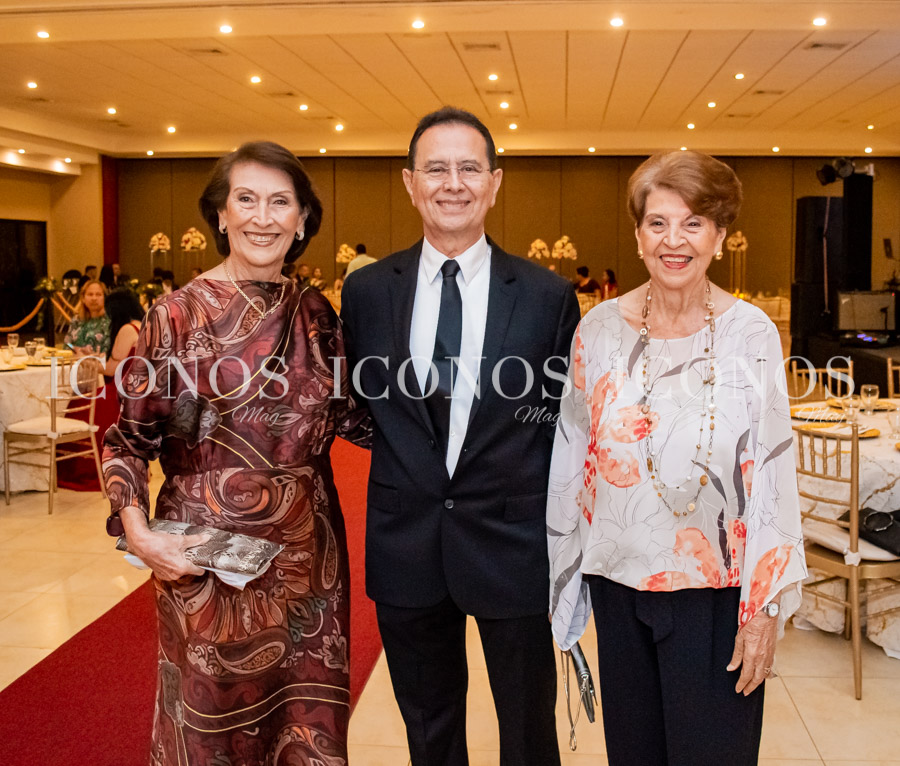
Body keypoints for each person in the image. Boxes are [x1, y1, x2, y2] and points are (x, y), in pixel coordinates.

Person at [102, 140, 371, 765]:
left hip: (311, 566)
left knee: (309, 727)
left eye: (281, 202)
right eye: (245, 199)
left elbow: (355, 419)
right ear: (220, 214)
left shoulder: (315, 314)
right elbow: (127, 441)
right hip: (206, 565)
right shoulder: (175, 315)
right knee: (211, 733)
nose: (262, 217)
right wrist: (139, 535)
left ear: (303, 219)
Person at [547, 150, 807, 766]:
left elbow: (773, 476)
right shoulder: (599, 330)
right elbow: (571, 457)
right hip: (617, 584)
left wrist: (765, 608)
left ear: (719, 234)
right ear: (638, 234)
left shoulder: (751, 333)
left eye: (692, 223)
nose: (674, 240)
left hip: (716, 594)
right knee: (633, 754)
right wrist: (565, 581)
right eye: (658, 222)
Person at [341, 107, 580, 766]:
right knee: (429, 729)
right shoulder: (364, 292)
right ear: (410, 183)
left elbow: (555, 413)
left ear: (495, 182)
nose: (453, 183)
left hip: (513, 543)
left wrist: (513, 449)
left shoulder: (546, 296)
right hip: (406, 542)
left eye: (469, 168)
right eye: (436, 168)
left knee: (530, 732)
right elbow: (361, 407)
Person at [57, 288, 144, 492]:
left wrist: (86, 360)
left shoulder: (127, 329)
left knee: (78, 403)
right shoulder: (143, 325)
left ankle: (81, 468)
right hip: (136, 390)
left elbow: (113, 368)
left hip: (118, 391)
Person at [64, 279, 110, 355]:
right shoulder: (77, 320)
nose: (94, 298)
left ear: (105, 298)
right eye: (90, 294)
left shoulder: (109, 321)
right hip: (76, 362)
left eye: (98, 294)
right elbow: (67, 344)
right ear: (83, 298)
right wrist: (75, 348)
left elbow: (109, 351)